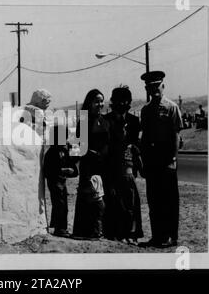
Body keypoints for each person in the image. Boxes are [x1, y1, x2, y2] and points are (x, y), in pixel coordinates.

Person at [138, 71, 183, 248]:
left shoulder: (172, 107)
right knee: (154, 199)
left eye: (157, 85)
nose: (154, 89)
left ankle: (171, 237)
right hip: (152, 160)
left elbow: (176, 136)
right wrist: (143, 160)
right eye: (150, 86)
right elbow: (145, 137)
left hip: (167, 159)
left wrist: (173, 158)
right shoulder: (145, 110)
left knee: (169, 199)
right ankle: (157, 236)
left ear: (163, 86)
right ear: (146, 89)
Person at [104, 85, 144, 244]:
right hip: (111, 167)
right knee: (113, 200)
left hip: (128, 168)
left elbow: (138, 144)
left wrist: (134, 151)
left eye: (125, 101)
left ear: (129, 102)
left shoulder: (134, 122)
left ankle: (131, 233)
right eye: (119, 100)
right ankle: (115, 233)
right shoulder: (105, 121)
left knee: (130, 201)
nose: (122, 104)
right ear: (113, 102)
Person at [72, 89, 111, 239]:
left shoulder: (105, 120)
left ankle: (99, 231)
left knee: (101, 199)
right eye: (96, 101)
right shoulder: (83, 121)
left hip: (103, 165)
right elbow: (78, 146)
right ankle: (84, 232)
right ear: (89, 102)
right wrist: (90, 153)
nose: (100, 104)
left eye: (102, 101)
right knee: (88, 198)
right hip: (89, 165)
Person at [43, 124, 78, 237]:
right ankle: (60, 229)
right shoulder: (51, 152)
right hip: (54, 181)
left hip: (61, 181)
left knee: (63, 205)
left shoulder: (64, 150)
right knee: (59, 205)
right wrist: (62, 170)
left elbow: (74, 161)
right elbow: (48, 170)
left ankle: (60, 228)